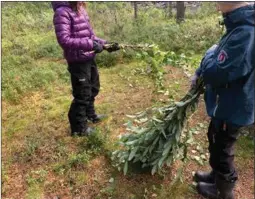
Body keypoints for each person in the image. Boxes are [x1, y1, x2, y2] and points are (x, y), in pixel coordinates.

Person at [191, 2, 254, 199]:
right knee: (215, 138)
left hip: (234, 105)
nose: (216, 6)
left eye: (218, 2)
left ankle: (223, 191)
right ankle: (216, 175)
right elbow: (219, 58)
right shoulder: (238, 25)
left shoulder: (246, 32)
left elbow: (216, 71)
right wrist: (210, 58)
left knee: (223, 148)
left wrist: (209, 54)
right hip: (226, 102)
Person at [52, 1, 120, 136]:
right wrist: (90, 44)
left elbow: (91, 36)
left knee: (93, 88)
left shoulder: (80, 8)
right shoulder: (62, 12)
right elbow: (64, 40)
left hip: (89, 57)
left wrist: (105, 44)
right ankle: (78, 128)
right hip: (77, 60)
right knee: (82, 94)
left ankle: (90, 115)